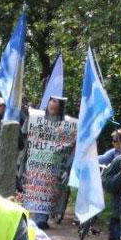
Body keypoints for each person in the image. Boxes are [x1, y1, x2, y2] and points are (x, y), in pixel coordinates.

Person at [19, 95, 77, 228]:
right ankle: (30, 218)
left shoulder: (68, 124)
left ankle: (41, 219)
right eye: (51, 101)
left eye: (56, 103)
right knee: (33, 190)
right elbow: (24, 134)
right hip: (35, 163)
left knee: (46, 192)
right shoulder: (36, 118)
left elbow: (73, 141)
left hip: (54, 166)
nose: (52, 105)